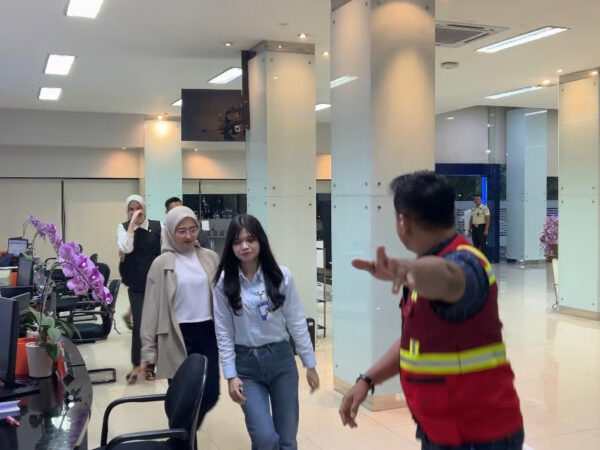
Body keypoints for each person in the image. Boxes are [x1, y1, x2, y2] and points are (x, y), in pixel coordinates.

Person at [339, 171, 523, 450]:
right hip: (443, 430)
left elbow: (450, 278)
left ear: (403, 222)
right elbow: (413, 344)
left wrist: (407, 269)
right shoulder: (425, 269)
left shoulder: (465, 261)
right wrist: (367, 379)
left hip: (481, 435)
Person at [212, 214, 320, 450]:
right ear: (230, 246)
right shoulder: (224, 282)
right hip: (246, 366)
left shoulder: (281, 276)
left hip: (281, 361)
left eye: (250, 239)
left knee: (287, 439)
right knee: (264, 438)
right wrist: (230, 375)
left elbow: (296, 321)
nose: (244, 246)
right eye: (237, 242)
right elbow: (223, 331)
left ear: (260, 241)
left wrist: (309, 363)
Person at [141, 206, 220, 429]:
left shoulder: (210, 258)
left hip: (207, 333)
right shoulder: (161, 263)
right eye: (181, 231)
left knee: (210, 393)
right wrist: (148, 351)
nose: (188, 236)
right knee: (182, 395)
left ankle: (181, 435)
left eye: (193, 230)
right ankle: (183, 437)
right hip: (176, 336)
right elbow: (151, 310)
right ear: (170, 232)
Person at [117, 194, 162, 383]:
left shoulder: (158, 226)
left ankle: (150, 366)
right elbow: (126, 248)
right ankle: (137, 364)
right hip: (135, 283)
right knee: (139, 324)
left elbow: (165, 251)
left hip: (156, 283)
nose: (135, 212)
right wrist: (132, 224)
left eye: (138, 208)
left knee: (154, 326)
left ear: (145, 208)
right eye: (131, 209)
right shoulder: (123, 227)